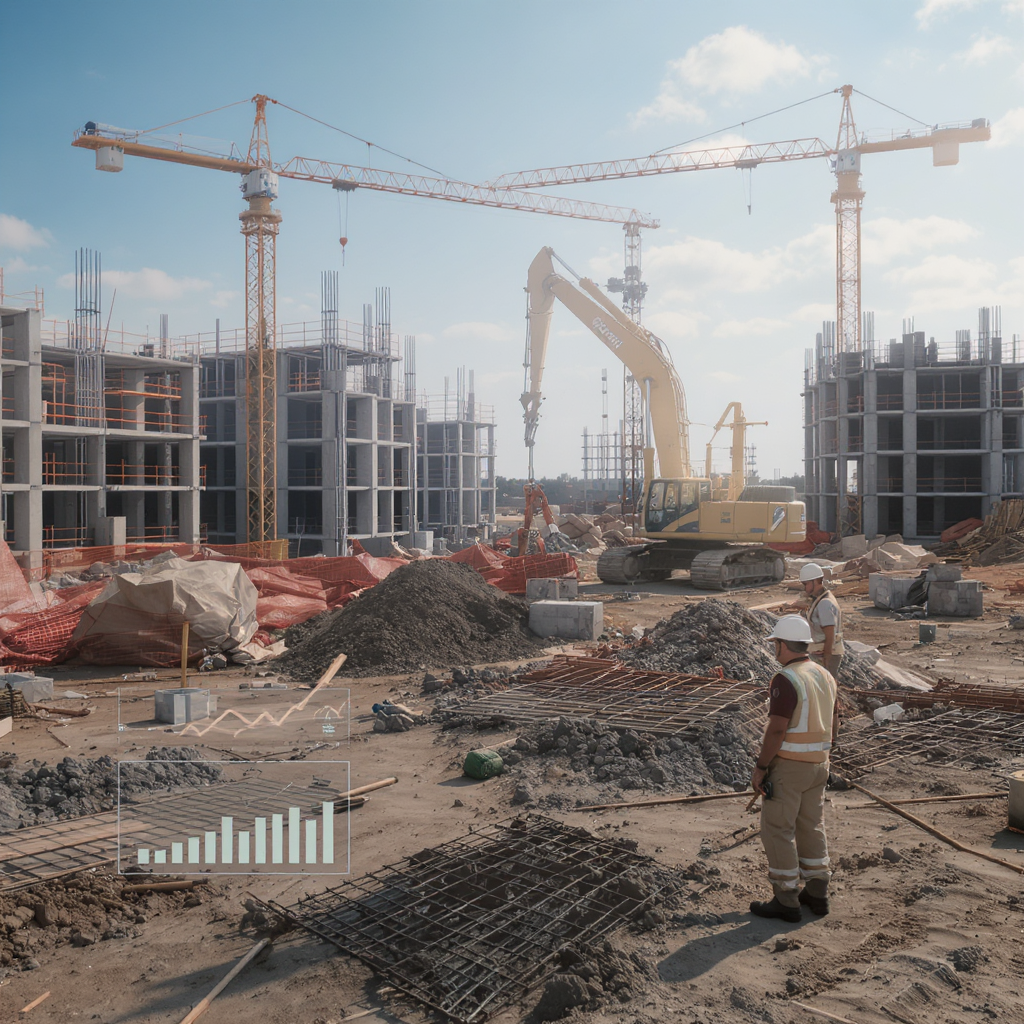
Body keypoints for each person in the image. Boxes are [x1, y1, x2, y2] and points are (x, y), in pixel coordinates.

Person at [749, 614, 839, 923]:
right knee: (811, 825)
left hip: (789, 767)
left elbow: (777, 729)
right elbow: (835, 721)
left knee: (778, 829)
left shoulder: (786, 679)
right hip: (819, 764)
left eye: (775, 643)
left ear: (783, 644)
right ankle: (817, 892)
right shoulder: (824, 675)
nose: (774, 648)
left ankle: (786, 898)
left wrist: (761, 767)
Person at [798, 563, 844, 677]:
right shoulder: (822, 598)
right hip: (820, 652)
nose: (805, 588)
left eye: (806, 584)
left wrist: (827, 657)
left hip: (825, 654)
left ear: (815, 581)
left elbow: (830, 633)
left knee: (825, 684)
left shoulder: (824, 603)